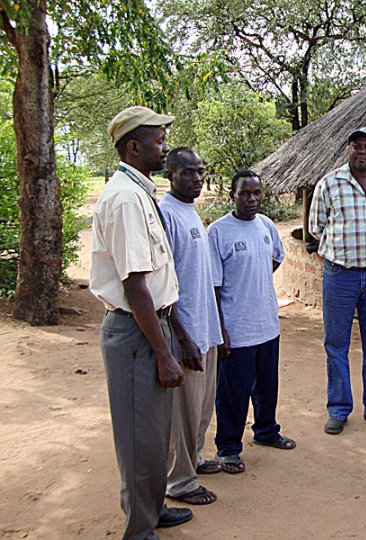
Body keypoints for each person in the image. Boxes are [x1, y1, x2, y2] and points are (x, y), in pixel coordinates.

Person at [90, 106, 193, 539]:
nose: (164, 146)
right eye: (157, 140)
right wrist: (164, 353)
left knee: (154, 432)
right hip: (137, 332)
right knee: (138, 436)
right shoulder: (125, 199)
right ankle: (139, 528)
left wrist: (176, 333)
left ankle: (152, 507)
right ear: (133, 147)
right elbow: (135, 287)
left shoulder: (139, 193)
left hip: (152, 326)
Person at [309, 127, 366, 435]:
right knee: (336, 344)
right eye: (357, 146)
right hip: (339, 275)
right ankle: (338, 409)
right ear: (349, 150)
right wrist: (341, 252)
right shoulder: (330, 183)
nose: (362, 152)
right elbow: (316, 226)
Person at [209, 170, 296, 474]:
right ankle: (228, 448)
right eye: (245, 193)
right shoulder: (219, 232)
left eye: (256, 193)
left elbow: (274, 259)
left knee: (267, 385)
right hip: (237, 329)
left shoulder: (266, 226)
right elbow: (214, 286)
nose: (252, 199)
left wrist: (253, 285)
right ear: (231, 196)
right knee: (233, 392)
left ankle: (266, 431)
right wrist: (221, 329)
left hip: (267, 324)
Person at [159, 148, 223, 505]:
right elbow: (162, 285)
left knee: (201, 405)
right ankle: (179, 481)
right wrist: (181, 336)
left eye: (200, 171)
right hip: (186, 333)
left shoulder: (190, 212)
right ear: (171, 174)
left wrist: (214, 331)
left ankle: (195, 458)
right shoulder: (167, 215)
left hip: (205, 329)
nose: (197, 178)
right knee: (182, 412)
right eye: (189, 172)